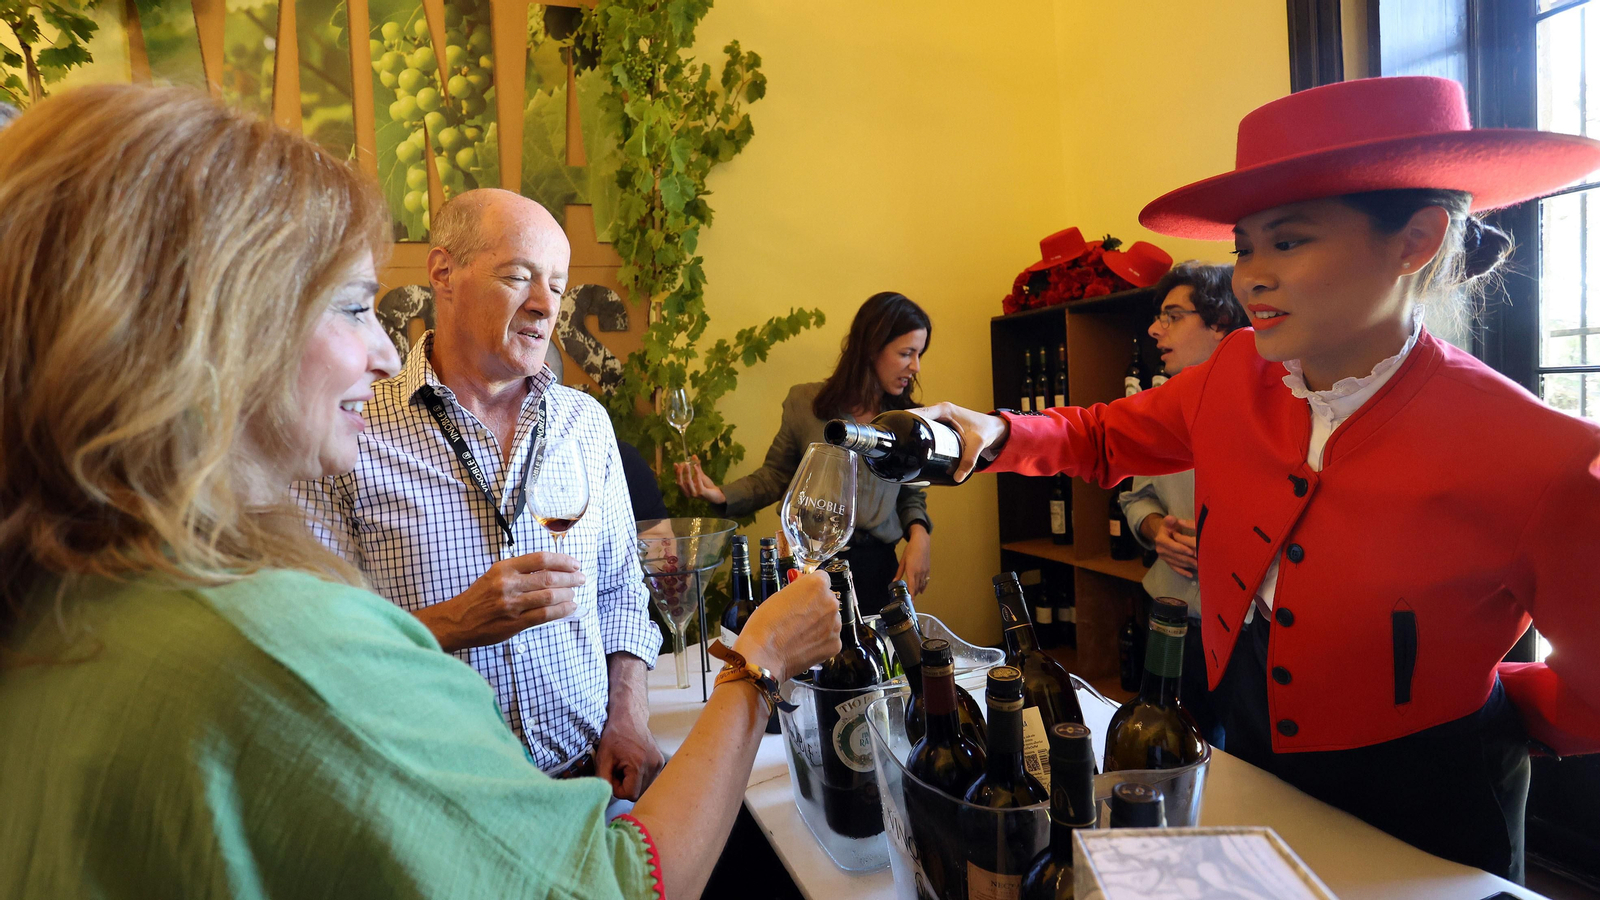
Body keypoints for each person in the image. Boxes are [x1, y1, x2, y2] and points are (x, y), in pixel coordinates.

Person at [0, 84, 840, 900]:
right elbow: (619, 885)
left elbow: (621, 586)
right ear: (211, 326)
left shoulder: (67, 604)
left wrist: (624, 714)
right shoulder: (275, 638)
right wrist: (756, 663)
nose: (377, 350)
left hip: (578, 780)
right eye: (353, 306)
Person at [917, 76, 1600, 880]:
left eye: (1288, 241)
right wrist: (996, 433)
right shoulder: (1235, 370)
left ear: (1416, 240)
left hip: (1429, 792)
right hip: (1245, 740)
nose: (1250, 277)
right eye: (1245, 246)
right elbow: (1104, 437)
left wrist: (1491, 699)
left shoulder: (1541, 454)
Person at [293, 189, 664, 800]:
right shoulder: (344, 429)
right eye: (519, 277)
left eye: (558, 284)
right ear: (443, 272)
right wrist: (454, 623)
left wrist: (628, 717)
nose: (547, 306)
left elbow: (622, 590)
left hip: (589, 787)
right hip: (435, 800)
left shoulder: (585, 424)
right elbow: (318, 648)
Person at [676, 292, 934, 614]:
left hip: (879, 570)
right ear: (872, 347)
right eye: (907, 353)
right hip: (813, 566)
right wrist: (720, 494)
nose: (916, 366)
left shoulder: (909, 421)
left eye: (919, 354)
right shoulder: (805, 404)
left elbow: (911, 494)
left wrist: (920, 536)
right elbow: (775, 476)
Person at [1118, 261, 1246, 746]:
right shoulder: (1164, 407)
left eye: (1173, 315)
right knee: (1169, 748)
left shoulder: (1273, 411)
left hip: (1242, 628)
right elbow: (1135, 495)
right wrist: (1155, 530)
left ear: (1220, 324)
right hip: (1169, 614)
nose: (1155, 329)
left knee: (1241, 767)